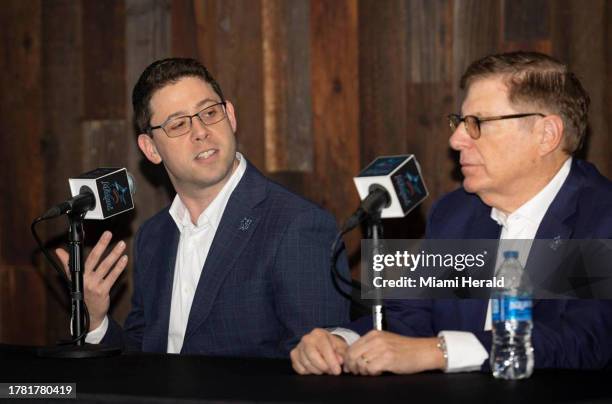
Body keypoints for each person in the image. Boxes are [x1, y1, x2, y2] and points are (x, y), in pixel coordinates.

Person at [291, 51, 612, 375]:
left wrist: (441, 351)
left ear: (546, 135)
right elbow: (407, 318)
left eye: (477, 123)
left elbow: (583, 341)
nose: (456, 139)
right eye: (459, 122)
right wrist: (341, 341)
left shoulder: (600, 217)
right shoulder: (457, 212)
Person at [56, 58, 350, 357]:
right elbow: (142, 359)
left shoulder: (297, 224)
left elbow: (317, 368)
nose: (200, 131)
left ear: (230, 117)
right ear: (151, 149)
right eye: (179, 124)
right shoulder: (152, 236)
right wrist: (94, 319)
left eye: (210, 113)